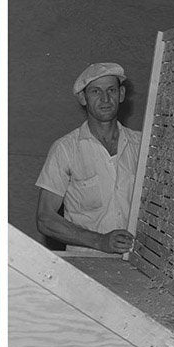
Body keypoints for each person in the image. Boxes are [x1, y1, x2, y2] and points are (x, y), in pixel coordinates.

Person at [35, 62, 141, 255]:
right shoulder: (65, 149)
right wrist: (100, 241)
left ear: (122, 94)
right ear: (83, 98)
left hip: (138, 265)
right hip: (86, 264)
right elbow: (45, 219)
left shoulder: (142, 144)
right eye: (95, 92)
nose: (105, 98)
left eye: (111, 90)